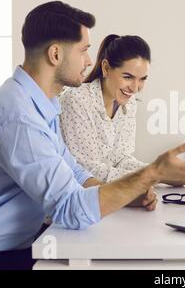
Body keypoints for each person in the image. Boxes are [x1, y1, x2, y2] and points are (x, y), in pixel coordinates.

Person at [0, 1, 185, 270]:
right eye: (84, 50)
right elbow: (70, 207)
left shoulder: (40, 104)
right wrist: (152, 174)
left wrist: (130, 191)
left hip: (26, 242)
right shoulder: (18, 115)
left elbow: (76, 174)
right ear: (55, 54)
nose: (89, 60)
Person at [59, 35, 152, 181]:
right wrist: (152, 176)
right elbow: (86, 169)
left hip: (106, 193)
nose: (135, 88)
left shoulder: (129, 103)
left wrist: (161, 171)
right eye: (128, 77)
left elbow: (121, 159)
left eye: (142, 79)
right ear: (106, 68)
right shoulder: (77, 100)